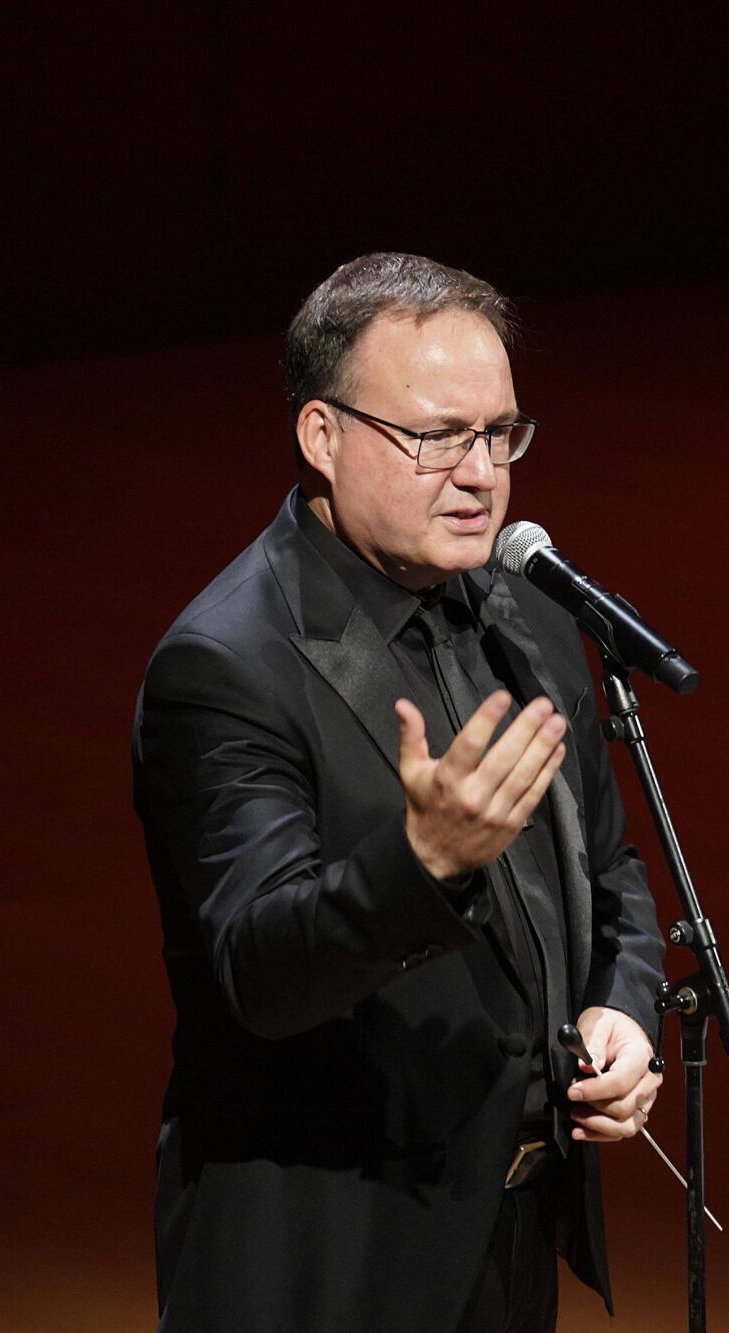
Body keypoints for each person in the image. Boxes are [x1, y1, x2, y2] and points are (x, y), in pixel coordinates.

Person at [133, 252, 669, 1332]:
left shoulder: (523, 614)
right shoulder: (225, 669)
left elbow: (606, 865)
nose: (479, 474)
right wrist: (424, 864)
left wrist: (623, 1003)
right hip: (334, 1260)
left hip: (506, 1233)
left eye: (499, 433)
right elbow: (261, 970)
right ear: (320, 436)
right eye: (434, 437)